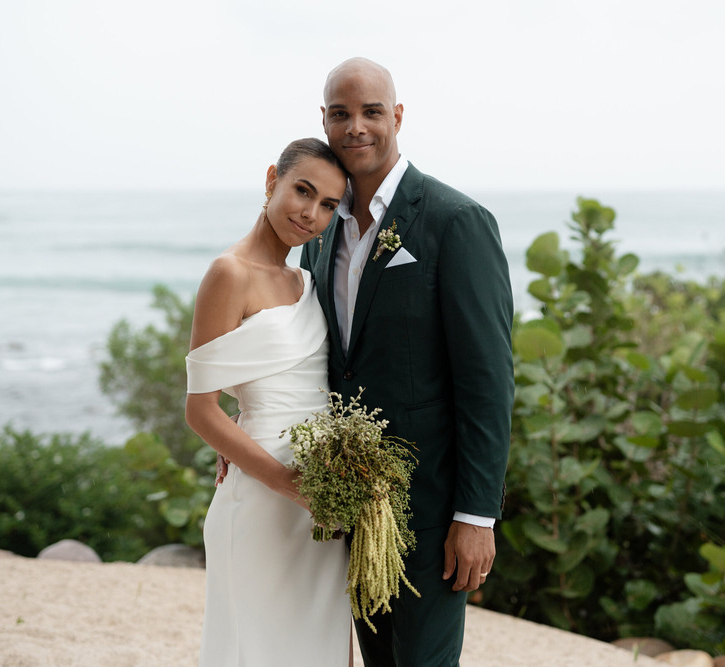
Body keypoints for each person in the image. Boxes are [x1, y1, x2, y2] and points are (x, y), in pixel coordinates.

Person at [300, 58, 515, 666]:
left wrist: (477, 516)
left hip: (433, 507)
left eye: (371, 112)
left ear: (396, 116)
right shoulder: (320, 229)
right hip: (352, 499)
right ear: (323, 120)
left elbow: (487, 381)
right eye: (340, 114)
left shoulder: (456, 222)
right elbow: (313, 352)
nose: (355, 127)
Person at [185, 138, 351, 666]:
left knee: (324, 650)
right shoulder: (229, 273)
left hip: (322, 495)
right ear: (271, 180)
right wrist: (289, 484)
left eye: (328, 204)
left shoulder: (307, 280)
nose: (311, 213)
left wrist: (325, 486)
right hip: (264, 496)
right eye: (303, 191)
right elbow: (200, 409)